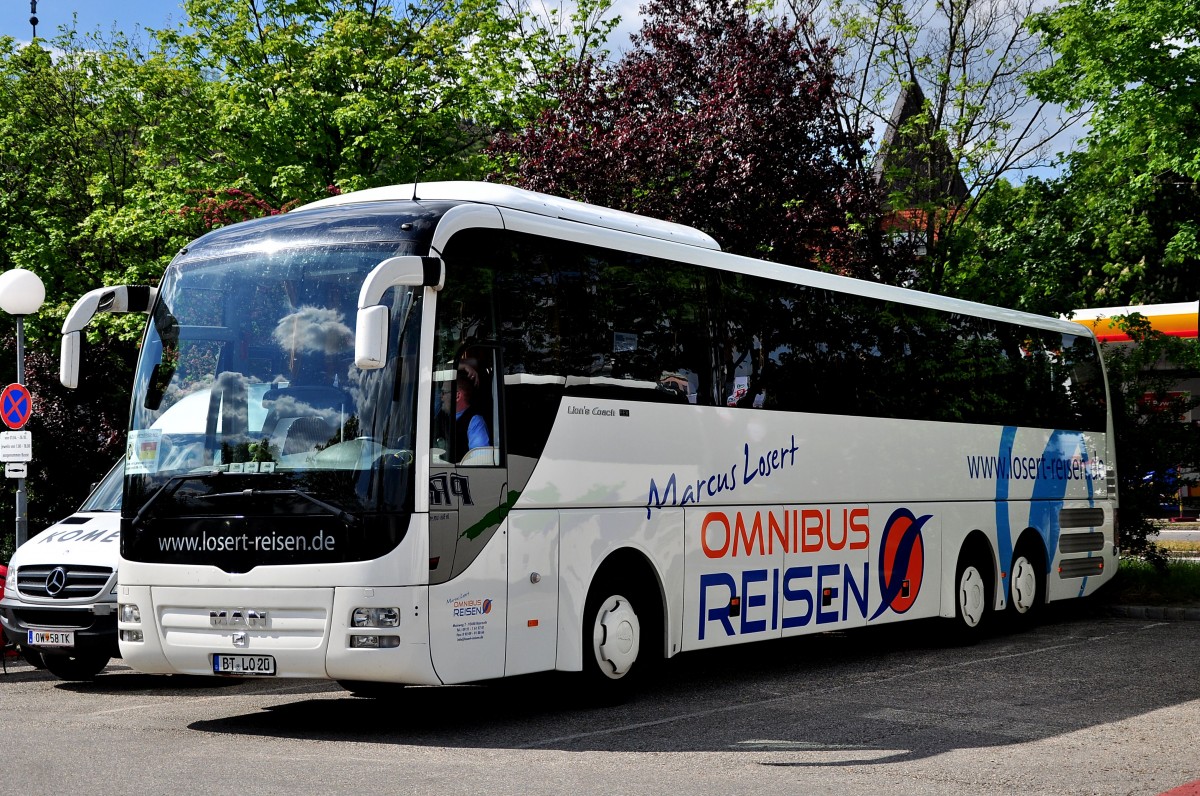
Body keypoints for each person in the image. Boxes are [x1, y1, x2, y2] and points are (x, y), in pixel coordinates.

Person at [453, 365, 490, 458]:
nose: (440, 397)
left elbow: (480, 460)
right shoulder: (439, 414)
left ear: (457, 396)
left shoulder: (475, 421)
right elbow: (432, 367)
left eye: (444, 392)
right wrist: (463, 366)